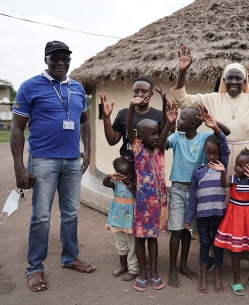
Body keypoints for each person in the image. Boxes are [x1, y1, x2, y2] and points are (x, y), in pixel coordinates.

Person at [171, 45, 249, 281]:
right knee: (216, 203)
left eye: (239, 78)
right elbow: (182, 100)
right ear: (224, 80)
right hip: (218, 156)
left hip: (245, 157)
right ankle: (213, 252)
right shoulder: (211, 98)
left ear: (245, 80)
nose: (234, 82)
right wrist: (182, 72)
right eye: (230, 78)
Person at [10, 40, 94, 292]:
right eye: (55, 58)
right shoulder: (30, 87)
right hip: (43, 160)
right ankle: (34, 268)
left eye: (65, 58)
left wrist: (87, 149)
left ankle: (70, 258)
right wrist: (18, 166)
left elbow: (85, 122)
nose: (60, 63)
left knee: (71, 214)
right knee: (41, 217)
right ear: (46, 59)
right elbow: (16, 128)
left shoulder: (78, 88)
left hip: (71, 161)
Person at [158, 98, 230, 288]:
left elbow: (225, 134)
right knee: (176, 230)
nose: (179, 120)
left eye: (181, 118)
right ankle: (173, 268)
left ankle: (183, 265)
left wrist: (212, 121)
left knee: (188, 230)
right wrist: (169, 122)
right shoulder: (176, 137)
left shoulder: (204, 137)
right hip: (178, 191)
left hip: (197, 192)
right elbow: (160, 144)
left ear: (192, 123)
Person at [211, 148, 249, 296]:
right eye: (236, 164)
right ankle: (236, 280)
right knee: (236, 250)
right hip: (236, 218)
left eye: (241, 165)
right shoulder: (232, 179)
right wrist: (223, 172)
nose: (237, 167)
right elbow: (224, 185)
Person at [126, 95, 170, 292]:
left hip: (158, 205)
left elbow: (165, 128)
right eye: (151, 134)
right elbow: (129, 129)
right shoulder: (138, 150)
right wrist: (130, 108)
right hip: (142, 205)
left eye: (157, 133)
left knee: (153, 239)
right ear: (141, 137)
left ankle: (153, 271)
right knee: (140, 238)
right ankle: (142, 272)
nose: (155, 137)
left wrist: (168, 119)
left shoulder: (160, 150)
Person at [184, 126, 230, 293]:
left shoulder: (222, 167)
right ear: (204, 152)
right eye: (209, 153)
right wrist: (188, 219)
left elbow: (225, 146)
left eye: (216, 154)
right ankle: (203, 276)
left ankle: (217, 276)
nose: (213, 156)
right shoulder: (198, 171)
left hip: (219, 215)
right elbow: (193, 198)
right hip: (203, 217)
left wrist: (216, 130)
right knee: (204, 245)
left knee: (218, 246)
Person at [100, 77, 168, 162]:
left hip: (150, 165)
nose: (139, 95)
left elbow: (164, 139)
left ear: (151, 94)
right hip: (127, 165)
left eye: (144, 91)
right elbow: (112, 140)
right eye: (136, 91)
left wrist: (165, 105)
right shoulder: (123, 113)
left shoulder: (159, 115)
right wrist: (106, 117)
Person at [103, 157, 138, 281]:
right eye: (122, 174)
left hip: (131, 222)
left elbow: (138, 197)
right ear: (117, 173)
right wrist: (110, 176)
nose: (126, 176)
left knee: (133, 246)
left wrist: (131, 187)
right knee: (121, 245)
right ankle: (123, 266)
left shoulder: (135, 183)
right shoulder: (116, 184)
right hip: (118, 220)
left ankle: (134, 270)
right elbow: (105, 183)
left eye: (129, 173)